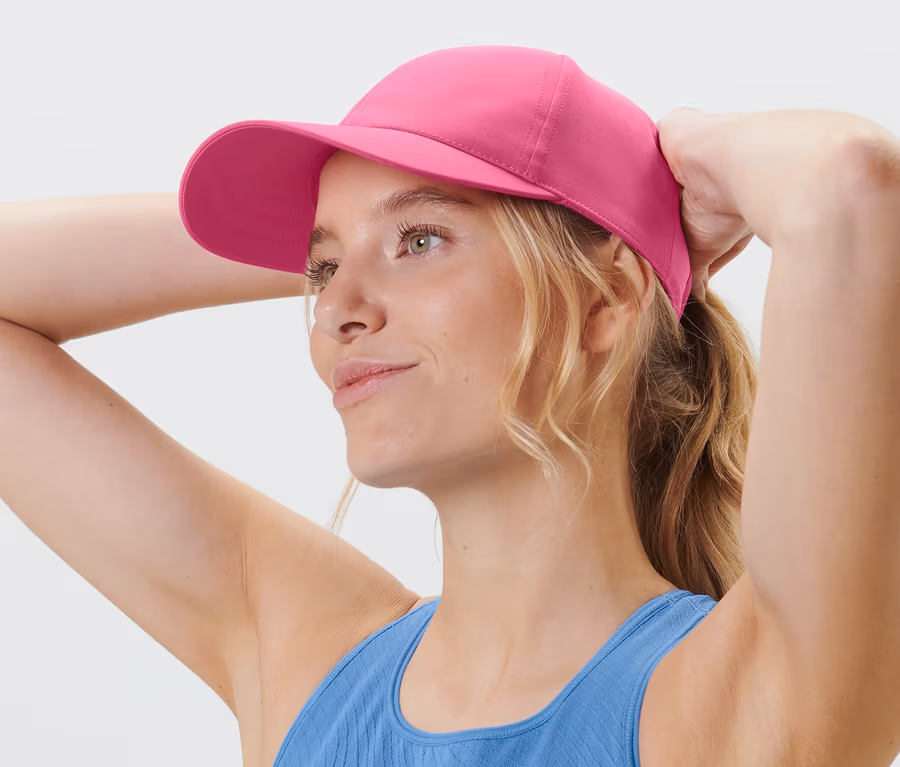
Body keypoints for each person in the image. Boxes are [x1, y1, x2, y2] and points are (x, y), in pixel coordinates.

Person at [1, 44, 898, 767]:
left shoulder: (742, 697)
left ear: (605, 299)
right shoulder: (311, 660)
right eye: (323, 268)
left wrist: (678, 158)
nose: (338, 309)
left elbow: (848, 183)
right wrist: (303, 238)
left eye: (421, 238)